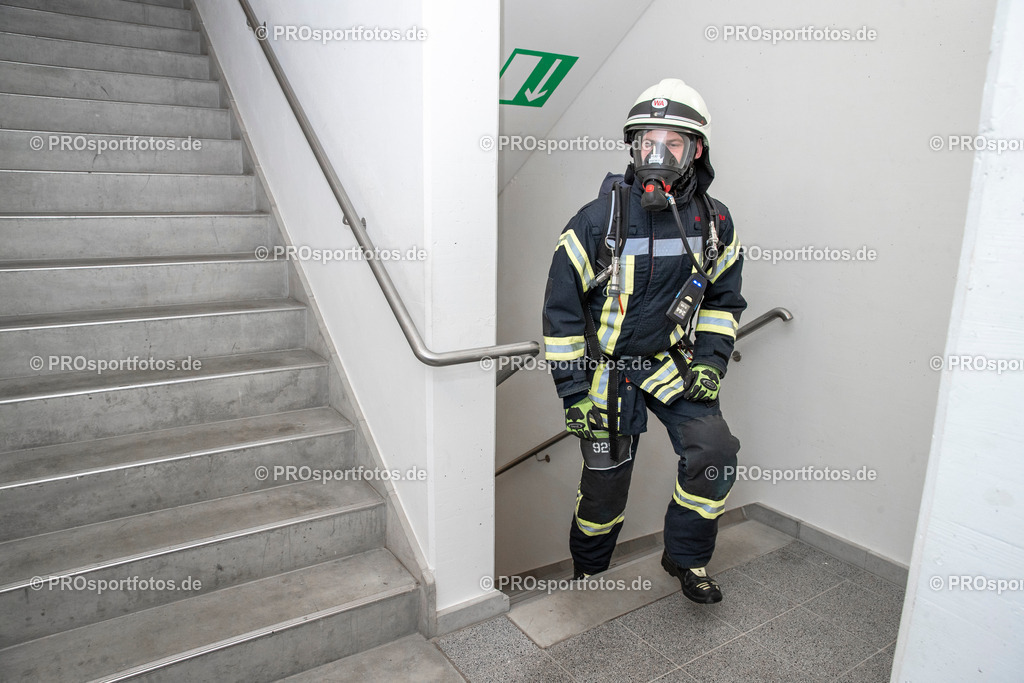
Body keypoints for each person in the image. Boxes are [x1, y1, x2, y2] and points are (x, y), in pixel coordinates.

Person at [542, 78, 746, 604]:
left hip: (670, 363)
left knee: (715, 453)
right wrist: (574, 394)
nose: (657, 153)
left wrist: (710, 363)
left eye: (672, 142)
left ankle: (686, 558)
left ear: (696, 151)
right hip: (607, 373)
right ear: (633, 146)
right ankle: (589, 579)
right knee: (603, 491)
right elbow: (561, 316)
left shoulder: (716, 221)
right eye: (646, 140)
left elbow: (722, 302)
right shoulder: (597, 221)